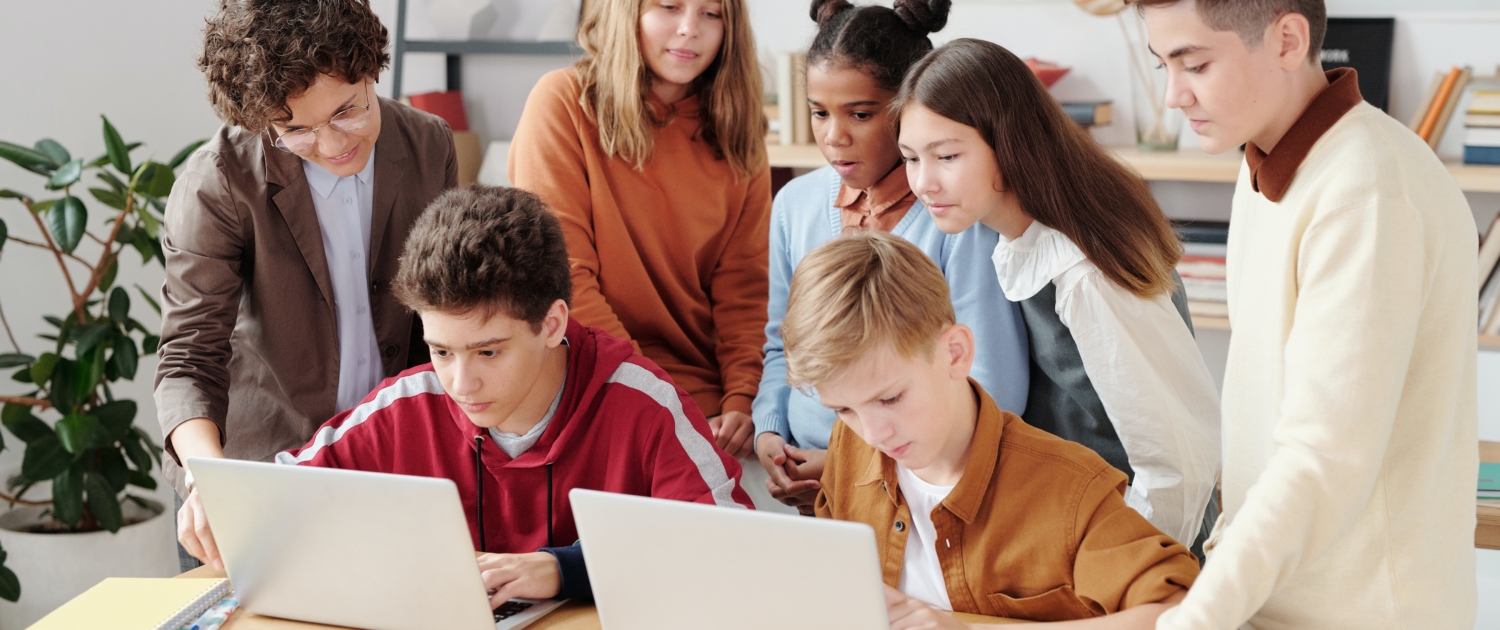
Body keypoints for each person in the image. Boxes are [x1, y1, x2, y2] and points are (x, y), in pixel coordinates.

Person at [178, 185, 754, 604]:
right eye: (441, 351)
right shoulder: (408, 404)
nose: (460, 384)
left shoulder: (644, 405)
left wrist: (567, 571)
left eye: (488, 352)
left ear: (552, 324)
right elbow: (275, 498)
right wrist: (219, 509)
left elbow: (734, 550)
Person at [1134, 0, 1479, 627]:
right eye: (1162, 66)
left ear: (1288, 40)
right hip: (1277, 600)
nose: (1172, 97)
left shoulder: (1367, 191)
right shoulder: (1267, 163)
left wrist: (1195, 617)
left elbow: (1323, 459)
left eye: (1195, 65)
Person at [158, 0, 456, 571]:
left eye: (348, 111)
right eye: (296, 130)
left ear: (373, 71)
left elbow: (441, 312)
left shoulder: (428, 146)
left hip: (391, 466)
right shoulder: (218, 183)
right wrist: (209, 480)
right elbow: (188, 359)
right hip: (259, 475)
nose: (331, 143)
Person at [893, 38, 1220, 551]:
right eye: (911, 158)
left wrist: (1135, 579)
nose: (924, 182)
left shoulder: (1083, 269)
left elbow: (1176, 466)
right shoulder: (1018, 238)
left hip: (1140, 554)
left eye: (947, 156)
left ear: (1008, 142)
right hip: (1079, 533)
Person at [784, 231, 1199, 628]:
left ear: (955, 353)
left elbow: (1183, 616)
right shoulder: (850, 446)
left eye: (890, 399)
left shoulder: (1070, 489)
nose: (873, 434)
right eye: (843, 409)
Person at [752, 0, 1029, 515]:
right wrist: (770, 432)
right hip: (809, 487)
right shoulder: (793, 204)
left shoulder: (956, 218)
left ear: (910, 109)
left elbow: (993, 388)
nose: (834, 137)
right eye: (819, 112)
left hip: (921, 491)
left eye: (860, 114)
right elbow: (779, 347)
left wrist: (845, 461)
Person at [508, 0, 770, 458]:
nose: (691, 29)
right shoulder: (563, 102)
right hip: (593, 386)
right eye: (669, 6)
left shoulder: (738, 131)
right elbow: (565, 279)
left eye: (713, 14)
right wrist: (657, 399)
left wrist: (744, 400)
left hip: (708, 405)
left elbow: (745, 290)